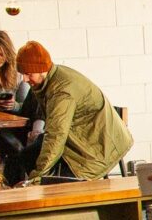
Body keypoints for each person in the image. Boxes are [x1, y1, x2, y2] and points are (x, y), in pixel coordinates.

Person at [9, 41, 130, 184]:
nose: (25, 79)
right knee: (23, 157)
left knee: (57, 185)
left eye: (28, 74)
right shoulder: (49, 79)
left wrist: (37, 177)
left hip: (98, 148)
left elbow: (56, 136)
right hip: (79, 137)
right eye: (23, 74)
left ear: (42, 69)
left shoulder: (61, 92)